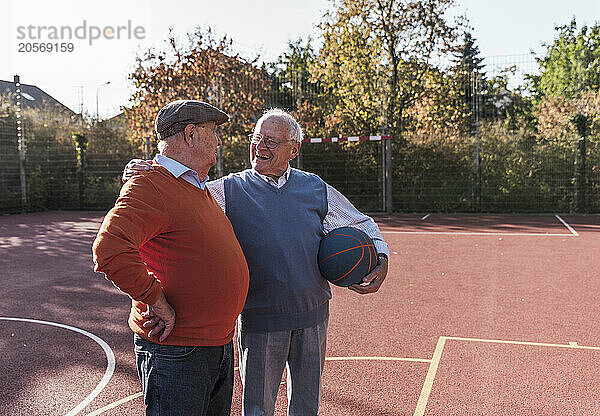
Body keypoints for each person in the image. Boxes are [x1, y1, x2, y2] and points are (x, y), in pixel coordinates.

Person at [125, 108, 390, 416]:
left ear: (294, 149)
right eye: (256, 138)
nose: (260, 147)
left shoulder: (316, 188)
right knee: (257, 409)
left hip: (314, 316)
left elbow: (362, 224)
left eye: (271, 141)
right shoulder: (226, 190)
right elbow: (176, 192)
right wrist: (145, 170)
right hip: (261, 320)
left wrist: (381, 257)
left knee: (306, 407)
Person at [93, 100, 249, 416]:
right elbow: (109, 249)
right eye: (214, 132)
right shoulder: (151, 184)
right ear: (191, 134)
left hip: (213, 346)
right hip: (176, 351)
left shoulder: (197, 188)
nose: (219, 141)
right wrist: (156, 300)